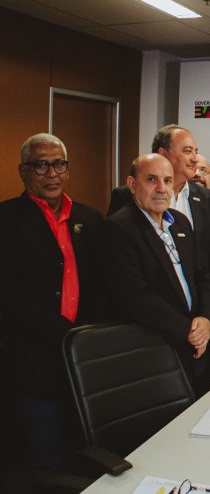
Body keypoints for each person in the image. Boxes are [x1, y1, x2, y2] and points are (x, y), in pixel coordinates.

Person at [2, 134, 107, 476]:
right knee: (46, 462)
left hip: (85, 358)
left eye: (59, 164)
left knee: (88, 454)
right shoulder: (7, 220)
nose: (52, 173)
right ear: (24, 171)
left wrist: (88, 337)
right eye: (41, 165)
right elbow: (10, 294)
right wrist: (65, 334)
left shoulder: (90, 219)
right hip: (35, 362)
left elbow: (103, 285)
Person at [108, 125, 210, 380]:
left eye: (166, 181)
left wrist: (206, 318)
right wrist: (187, 328)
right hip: (155, 341)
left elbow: (206, 272)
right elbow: (132, 293)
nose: (162, 188)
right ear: (133, 184)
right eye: (152, 180)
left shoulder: (179, 220)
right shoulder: (119, 225)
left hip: (197, 334)